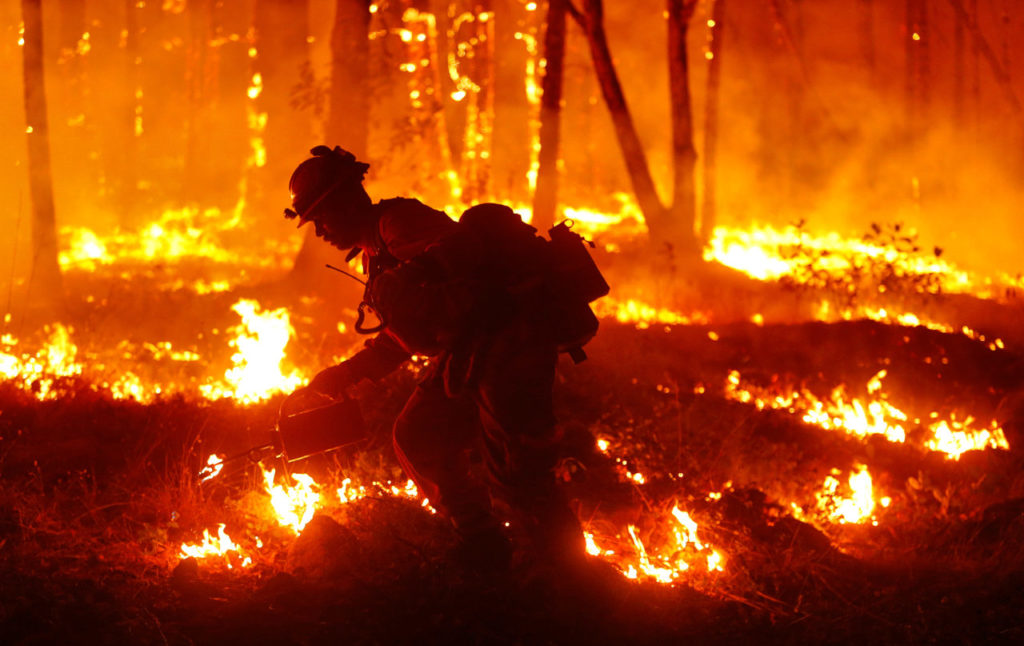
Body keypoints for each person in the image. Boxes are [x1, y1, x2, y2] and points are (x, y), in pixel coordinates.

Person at [283, 145, 588, 572]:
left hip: (511, 344)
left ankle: (569, 575)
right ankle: (484, 546)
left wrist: (413, 273)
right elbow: (404, 337)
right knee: (418, 435)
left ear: (346, 201)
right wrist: (346, 374)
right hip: (470, 353)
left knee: (518, 470)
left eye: (321, 217)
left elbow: (466, 247)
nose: (319, 232)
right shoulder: (377, 251)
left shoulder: (397, 221)